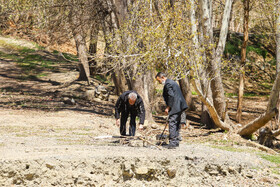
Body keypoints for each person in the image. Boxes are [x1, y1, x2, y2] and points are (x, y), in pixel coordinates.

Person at [155, 72, 188, 149]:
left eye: (158, 80)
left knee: (172, 123)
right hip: (180, 105)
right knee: (176, 123)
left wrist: (168, 107)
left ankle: (172, 142)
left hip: (175, 106)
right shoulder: (173, 82)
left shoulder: (168, 84)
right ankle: (176, 141)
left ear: (162, 77)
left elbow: (171, 96)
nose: (159, 82)